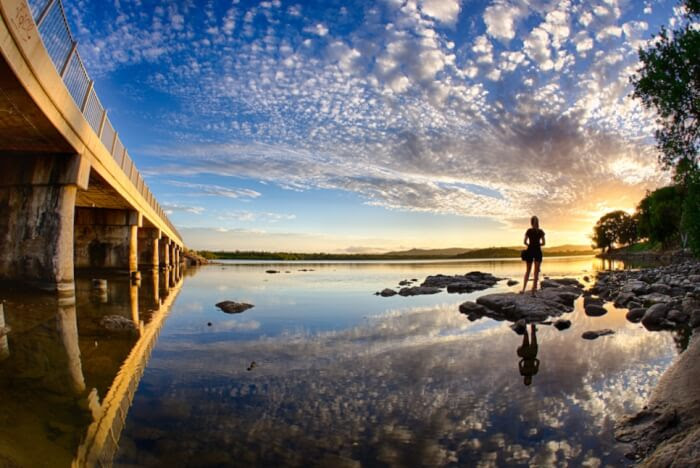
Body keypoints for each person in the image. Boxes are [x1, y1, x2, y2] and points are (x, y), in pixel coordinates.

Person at [520, 216, 545, 296]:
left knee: (528, 271)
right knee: (535, 272)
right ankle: (533, 292)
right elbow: (544, 243)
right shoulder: (540, 231)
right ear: (537, 222)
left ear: (531, 222)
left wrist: (530, 245)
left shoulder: (529, 230)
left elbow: (524, 242)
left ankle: (524, 290)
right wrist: (538, 244)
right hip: (537, 251)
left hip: (530, 250)